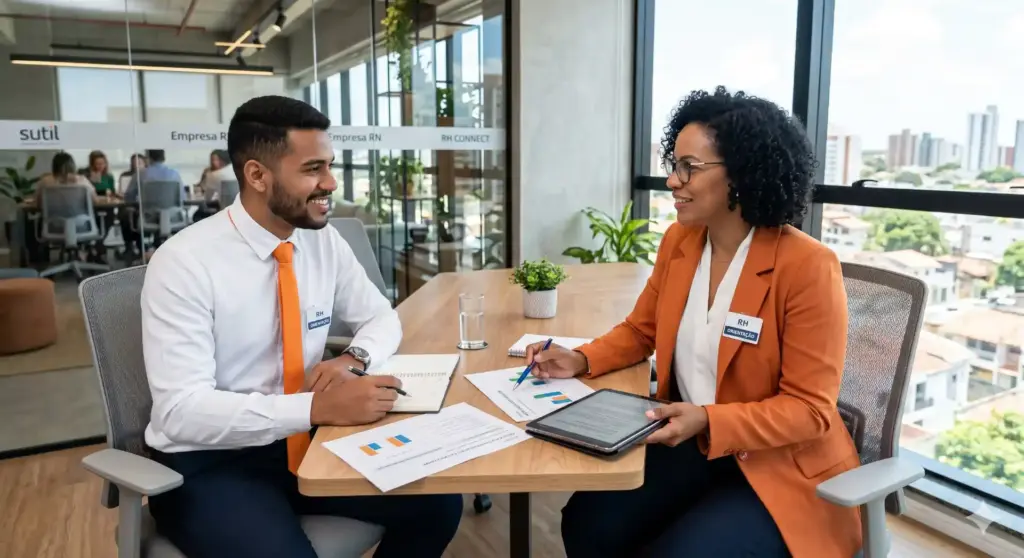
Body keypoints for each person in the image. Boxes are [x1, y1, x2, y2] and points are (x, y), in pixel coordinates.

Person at [528, 87, 861, 558]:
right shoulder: (679, 243)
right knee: (588, 524)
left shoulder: (806, 266)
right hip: (695, 444)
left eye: (689, 167)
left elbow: (810, 410)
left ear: (742, 173)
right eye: (674, 164)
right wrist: (580, 358)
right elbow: (641, 330)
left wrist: (708, 417)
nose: (671, 180)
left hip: (775, 464)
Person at [140, 95, 462, 558]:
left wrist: (357, 358)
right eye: (314, 169)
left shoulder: (321, 242)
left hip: (305, 443)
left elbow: (380, 316)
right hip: (210, 463)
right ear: (256, 175)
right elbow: (181, 411)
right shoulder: (185, 263)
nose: (330, 183)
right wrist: (314, 409)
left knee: (437, 504)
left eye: (329, 166)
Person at [120, 149, 183, 258]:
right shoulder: (175, 174)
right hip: (171, 218)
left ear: (148, 158)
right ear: (164, 158)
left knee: (127, 215)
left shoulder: (140, 174)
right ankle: (157, 248)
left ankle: (135, 249)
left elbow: (128, 198)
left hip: (148, 218)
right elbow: (182, 198)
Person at [192, 149, 235, 222]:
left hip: (223, 209)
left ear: (222, 160)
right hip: (239, 208)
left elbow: (208, 198)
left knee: (197, 216)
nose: (212, 162)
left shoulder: (213, 175)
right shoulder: (237, 171)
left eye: (215, 160)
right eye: (211, 160)